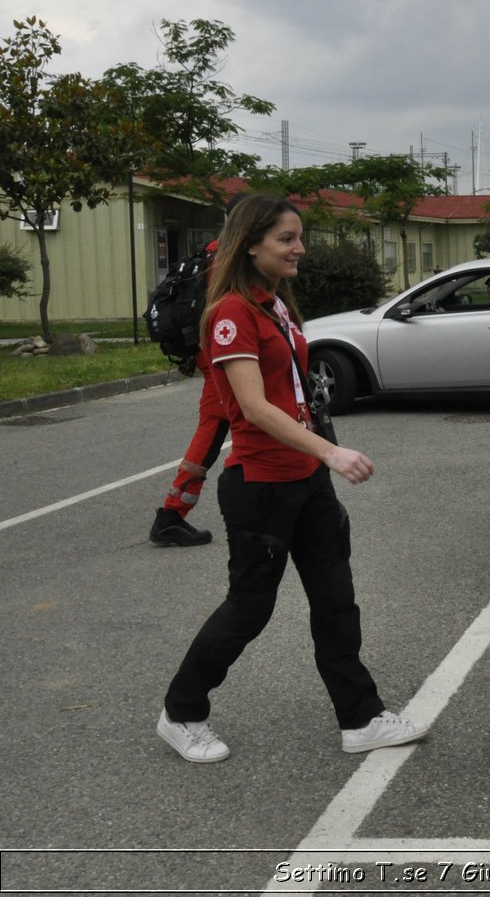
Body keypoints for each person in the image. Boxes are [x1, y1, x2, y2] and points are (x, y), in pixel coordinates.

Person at [156, 194, 428, 764]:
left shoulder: (275, 304)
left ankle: (360, 717)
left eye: (299, 236)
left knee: (336, 601)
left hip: (306, 480)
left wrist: (319, 458)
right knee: (249, 609)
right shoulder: (231, 313)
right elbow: (253, 408)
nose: (298, 247)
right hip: (261, 484)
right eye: (285, 238)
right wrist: (331, 451)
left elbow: (296, 392)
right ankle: (181, 712)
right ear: (250, 244)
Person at [148, 237, 226, 548]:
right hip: (220, 353)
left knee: (218, 428)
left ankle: (172, 514)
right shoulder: (231, 254)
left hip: (207, 350)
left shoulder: (211, 250)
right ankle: (171, 515)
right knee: (215, 430)